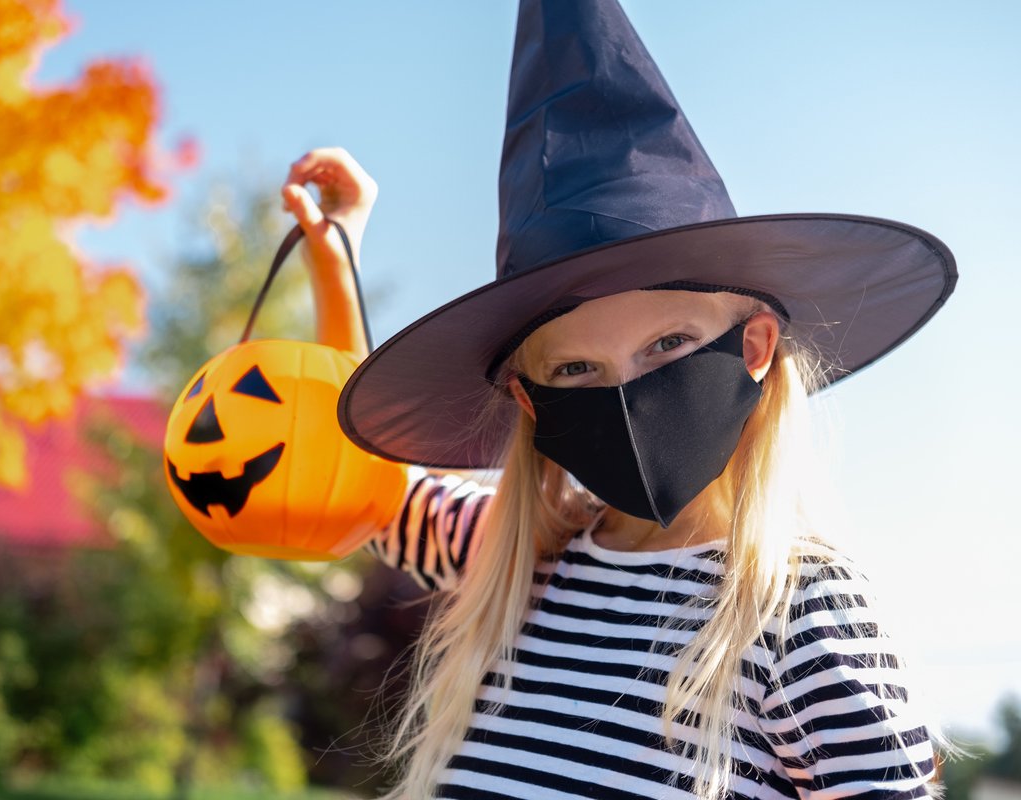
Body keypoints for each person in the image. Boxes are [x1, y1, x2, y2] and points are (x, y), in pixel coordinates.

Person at [278, 2, 955, 798]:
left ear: (756, 346)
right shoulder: (515, 560)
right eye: (574, 372)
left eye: (667, 345)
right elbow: (357, 488)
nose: (627, 393)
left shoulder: (806, 614)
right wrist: (336, 263)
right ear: (530, 402)